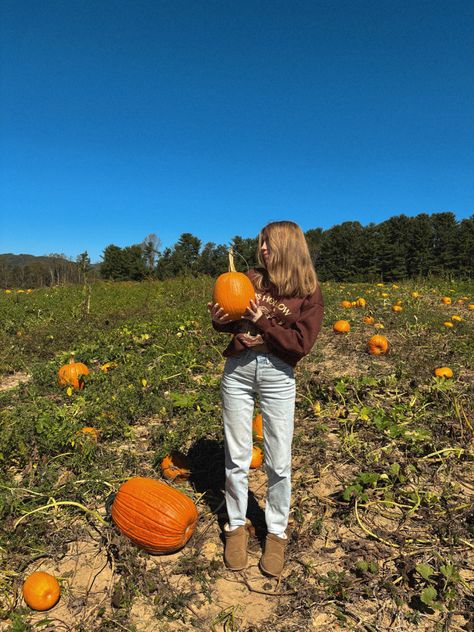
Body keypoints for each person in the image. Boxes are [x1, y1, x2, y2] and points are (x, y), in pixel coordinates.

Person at [208, 220, 324, 576]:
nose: (262, 249)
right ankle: (236, 527)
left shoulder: (308, 291)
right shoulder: (249, 278)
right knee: (237, 456)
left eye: (268, 244)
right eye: (261, 243)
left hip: (278, 374)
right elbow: (233, 318)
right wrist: (219, 321)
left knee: (278, 459)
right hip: (239, 370)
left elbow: (300, 345)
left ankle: (276, 533)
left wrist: (266, 321)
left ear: (289, 246)